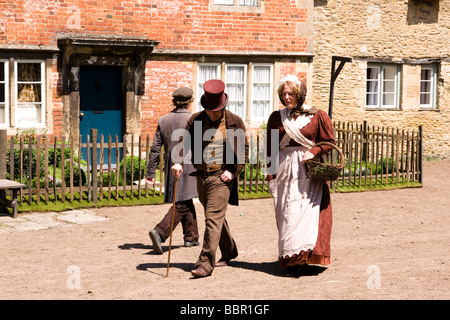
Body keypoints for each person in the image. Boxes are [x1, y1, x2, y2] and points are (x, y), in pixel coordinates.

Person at [171, 79, 249, 278]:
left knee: (211, 219)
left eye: (217, 110)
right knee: (215, 217)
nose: (213, 113)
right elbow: (184, 142)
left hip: (222, 178)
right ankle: (230, 250)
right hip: (202, 176)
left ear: (223, 106)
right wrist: (178, 161)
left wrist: (233, 170)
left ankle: (205, 262)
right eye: (210, 109)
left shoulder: (234, 122)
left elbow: (243, 149)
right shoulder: (196, 120)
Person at [266, 74, 336, 276]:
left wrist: (313, 152)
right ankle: (290, 259)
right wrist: (270, 176)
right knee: (288, 213)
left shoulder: (317, 115)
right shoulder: (276, 118)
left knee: (307, 215)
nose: (287, 97)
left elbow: (328, 142)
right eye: (284, 94)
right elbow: (270, 150)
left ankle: (303, 258)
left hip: (309, 172)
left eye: (291, 94)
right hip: (285, 170)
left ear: (300, 94)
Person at [145, 87, 199, 255]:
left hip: (171, 165)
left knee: (185, 199)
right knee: (182, 202)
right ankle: (160, 232)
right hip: (189, 166)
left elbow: (155, 149)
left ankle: (191, 237)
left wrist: (150, 173)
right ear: (190, 101)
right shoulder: (194, 119)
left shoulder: (163, 120)